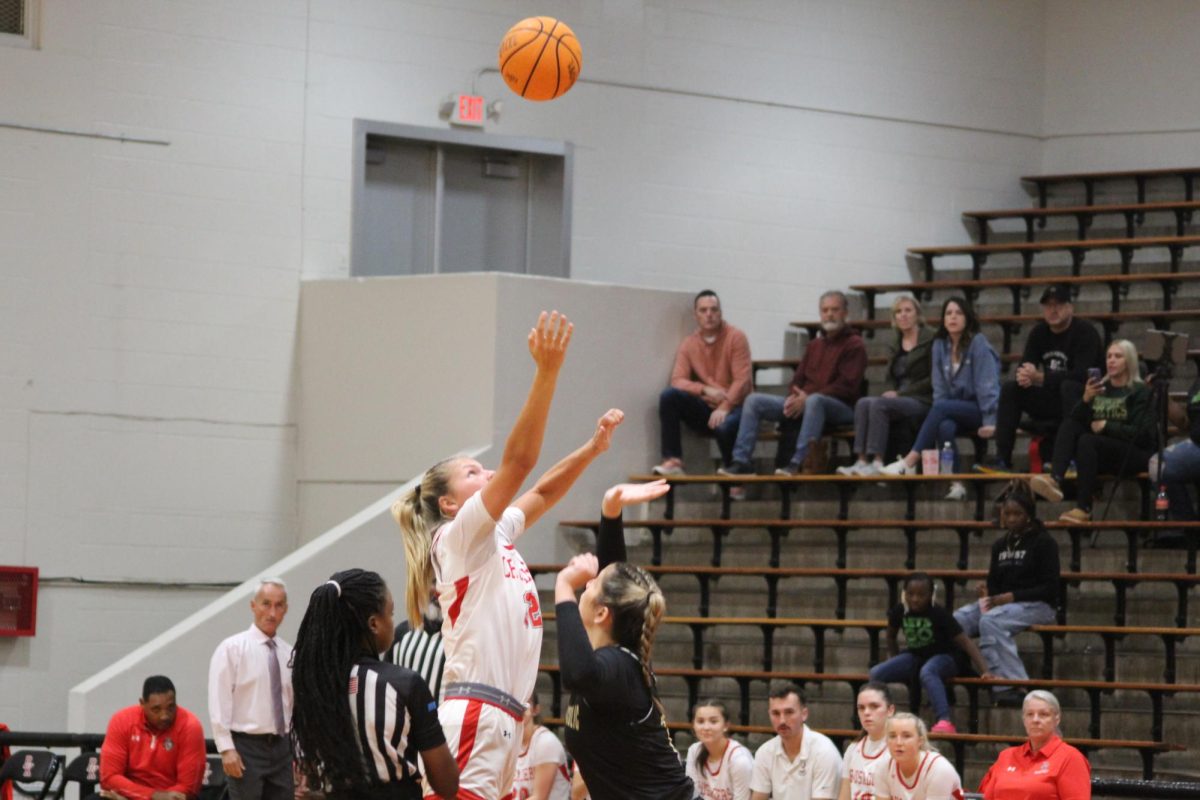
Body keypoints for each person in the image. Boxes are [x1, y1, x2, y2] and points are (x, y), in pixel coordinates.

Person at [393, 310, 625, 799]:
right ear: (449, 503)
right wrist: (546, 373)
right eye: (474, 472)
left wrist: (592, 450)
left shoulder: (492, 535)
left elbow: (539, 492)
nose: (487, 476)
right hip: (476, 712)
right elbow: (520, 464)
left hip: (502, 717)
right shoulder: (457, 537)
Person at [554, 480, 693, 800]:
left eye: (590, 585)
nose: (585, 583)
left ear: (602, 613)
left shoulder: (617, 667)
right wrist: (611, 509)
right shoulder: (620, 659)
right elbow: (613, 575)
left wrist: (563, 587)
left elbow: (576, 675)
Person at [290, 569, 457, 800]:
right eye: (390, 613)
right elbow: (446, 784)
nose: (392, 620)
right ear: (373, 624)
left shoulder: (314, 684)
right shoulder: (404, 684)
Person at [721, 290, 867, 477]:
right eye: (825, 310)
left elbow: (847, 385)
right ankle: (742, 462)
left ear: (845, 313)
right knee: (754, 400)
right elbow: (796, 380)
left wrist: (807, 398)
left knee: (815, 401)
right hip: (806, 402)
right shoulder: (815, 345)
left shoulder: (855, 344)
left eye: (835, 309)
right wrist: (795, 396)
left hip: (841, 407)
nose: (829, 314)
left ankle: (798, 462)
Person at [954, 480, 1060, 707]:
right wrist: (986, 593)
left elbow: (1051, 587)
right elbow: (995, 583)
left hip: (1039, 605)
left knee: (992, 621)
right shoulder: (1000, 545)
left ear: (1028, 515)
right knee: (957, 620)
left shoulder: (1044, 542)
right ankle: (968, 670)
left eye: (1017, 514)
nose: (1012, 519)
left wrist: (1012, 597)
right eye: (1007, 514)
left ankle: (1014, 685)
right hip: (1006, 603)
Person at [884, 297, 1000, 501]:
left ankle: (909, 461)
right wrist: (941, 412)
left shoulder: (978, 343)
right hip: (950, 408)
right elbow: (939, 389)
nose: (953, 317)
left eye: (958, 313)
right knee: (944, 426)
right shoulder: (939, 345)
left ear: (967, 318)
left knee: (941, 409)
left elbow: (987, 386)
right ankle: (956, 483)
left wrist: (991, 420)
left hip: (979, 408)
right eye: (948, 313)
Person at [980, 285, 1103, 473]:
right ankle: (1002, 459)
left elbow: (1081, 375)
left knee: (1069, 387)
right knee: (1011, 389)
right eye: (1048, 306)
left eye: (1058, 305)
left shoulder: (1085, 332)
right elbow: (1025, 367)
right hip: (1051, 400)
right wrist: (1024, 375)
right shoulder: (1039, 332)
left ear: (1070, 307)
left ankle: (1069, 459)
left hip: (1083, 401)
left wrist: (1040, 377)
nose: (1053, 310)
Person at [1029, 339, 1155, 523]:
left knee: (1088, 441)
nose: (1111, 360)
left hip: (1135, 453)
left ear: (1129, 361)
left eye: (1117, 356)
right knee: (1071, 425)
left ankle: (1084, 509)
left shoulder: (1140, 391)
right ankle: (1055, 478)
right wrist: (1086, 399)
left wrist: (1107, 426)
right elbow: (1075, 420)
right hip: (1104, 450)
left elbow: (1143, 435)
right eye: (1109, 356)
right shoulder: (1100, 388)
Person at [870, 573, 993, 733]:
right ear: (904, 593)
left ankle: (944, 720)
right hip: (916, 655)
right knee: (876, 673)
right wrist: (896, 659)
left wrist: (985, 671)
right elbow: (891, 636)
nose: (915, 599)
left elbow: (965, 642)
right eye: (911, 594)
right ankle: (880, 718)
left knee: (928, 671)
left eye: (921, 595)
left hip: (947, 656)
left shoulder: (939, 613)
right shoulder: (899, 610)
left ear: (931, 595)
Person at [207, 578, 294, 800]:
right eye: (266, 604)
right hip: (246, 747)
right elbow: (219, 700)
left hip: (281, 748)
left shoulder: (289, 654)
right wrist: (226, 748)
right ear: (253, 606)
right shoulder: (232, 649)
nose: (272, 613)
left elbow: (292, 707)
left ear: (286, 609)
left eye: (279, 605)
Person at [654, 289, 753, 475]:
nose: (709, 315)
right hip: (707, 405)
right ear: (696, 315)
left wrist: (725, 406)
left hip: (737, 405)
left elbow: (742, 380)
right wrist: (704, 389)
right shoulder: (689, 343)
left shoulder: (736, 337)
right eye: (703, 310)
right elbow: (677, 380)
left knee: (723, 425)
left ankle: (735, 474)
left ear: (721, 313)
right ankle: (673, 460)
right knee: (669, 397)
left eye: (714, 310)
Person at [839, 296, 934, 476]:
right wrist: (894, 391)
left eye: (908, 310)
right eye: (898, 312)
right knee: (863, 403)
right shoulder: (894, 342)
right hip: (900, 397)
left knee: (878, 404)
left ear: (917, 314)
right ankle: (860, 460)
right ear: (894, 318)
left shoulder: (931, 338)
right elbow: (890, 376)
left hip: (922, 398)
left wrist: (900, 393)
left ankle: (877, 461)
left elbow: (933, 379)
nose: (903, 315)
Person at [97, 675, 206, 800]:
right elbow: (109, 778)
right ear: (142, 704)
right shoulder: (122, 721)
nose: (164, 716)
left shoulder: (190, 726)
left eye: (170, 707)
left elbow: (188, 788)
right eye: (156, 709)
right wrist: (152, 796)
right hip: (129, 796)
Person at [978, 690, 1091, 800]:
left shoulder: (1070, 758)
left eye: (1043, 714)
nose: (1035, 720)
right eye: (1030, 714)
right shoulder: (1006, 756)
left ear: (1057, 719)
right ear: (1024, 719)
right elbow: (985, 796)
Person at [749, 684, 842, 800]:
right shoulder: (764, 752)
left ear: (804, 714)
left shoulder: (824, 751)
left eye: (789, 712)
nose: (782, 720)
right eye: (776, 713)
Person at [1148, 373, 1200, 533]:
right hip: (1196, 444)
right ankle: (1189, 529)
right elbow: (1185, 423)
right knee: (1158, 465)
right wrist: (1164, 398)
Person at [872, 713, 963, 800]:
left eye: (906, 736)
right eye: (892, 736)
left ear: (920, 741)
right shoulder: (883, 767)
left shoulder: (939, 769)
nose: (898, 742)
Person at [686, 699, 754, 800]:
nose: (706, 727)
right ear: (693, 725)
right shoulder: (694, 751)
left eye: (713, 721)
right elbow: (692, 795)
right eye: (700, 721)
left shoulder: (740, 760)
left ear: (726, 725)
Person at [838, 682, 896, 800]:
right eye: (861, 708)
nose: (866, 712)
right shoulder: (853, 749)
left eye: (874, 706)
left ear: (890, 710)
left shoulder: (898, 750)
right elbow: (844, 796)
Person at [385, 591, 445, 702]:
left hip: (447, 717)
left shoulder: (463, 638)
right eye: (433, 581)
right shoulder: (400, 634)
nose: (439, 588)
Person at [514, 693, 572, 800]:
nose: (519, 709)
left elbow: (539, 797)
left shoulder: (546, 742)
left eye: (525, 703)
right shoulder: (507, 742)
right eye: (515, 703)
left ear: (535, 710)